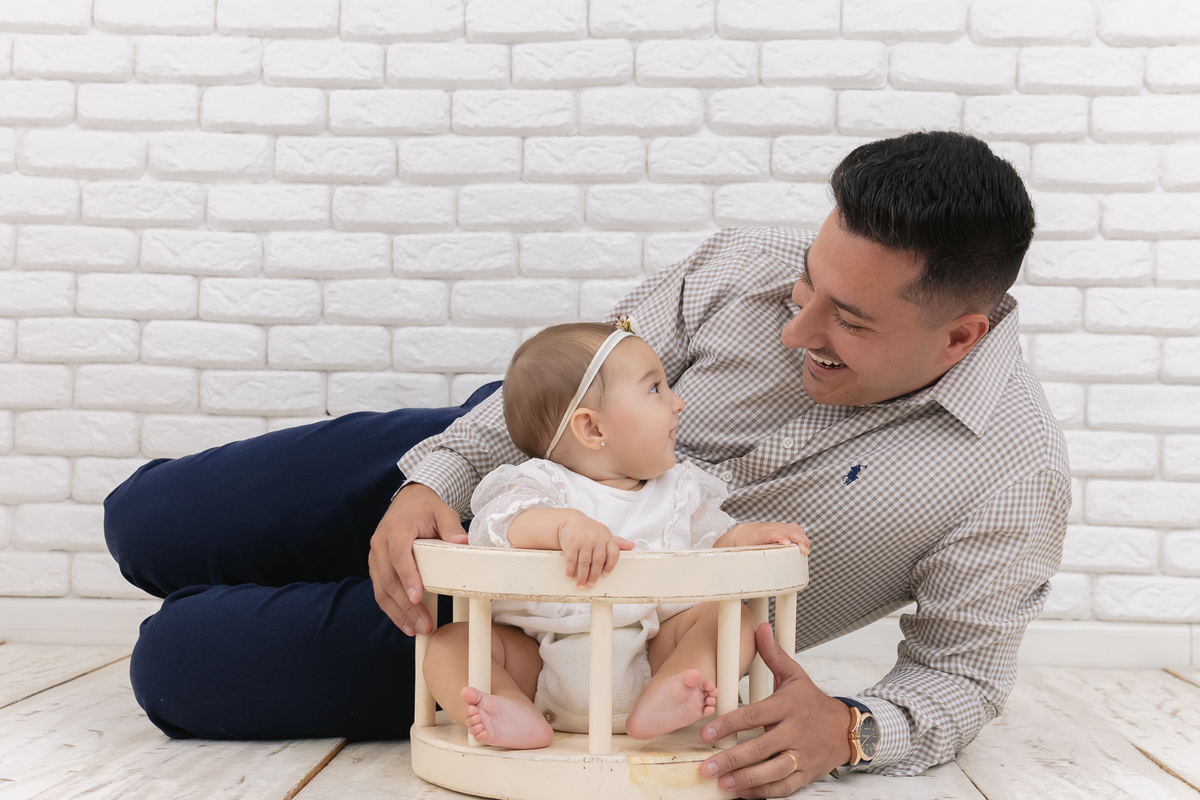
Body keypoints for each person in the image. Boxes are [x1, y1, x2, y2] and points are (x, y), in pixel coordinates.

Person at [105, 131, 1068, 796]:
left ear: (961, 335)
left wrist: (852, 729)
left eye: (847, 321)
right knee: (146, 519)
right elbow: (571, 385)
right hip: (498, 456)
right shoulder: (746, 261)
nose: (795, 325)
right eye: (807, 285)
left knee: (178, 666)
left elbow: (961, 680)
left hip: (570, 644)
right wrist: (426, 482)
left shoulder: (1010, 477)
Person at [422, 321, 810, 748]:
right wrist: (565, 525)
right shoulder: (542, 484)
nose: (678, 402)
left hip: (650, 655)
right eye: (655, 389)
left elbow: (714, 541)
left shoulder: (678, 492)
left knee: (734, 619)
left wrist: (747, 537)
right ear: (592, 429)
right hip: (537, 664)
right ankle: (508, 705)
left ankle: (674, 688)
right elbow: (501, 524)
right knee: (449, 644)